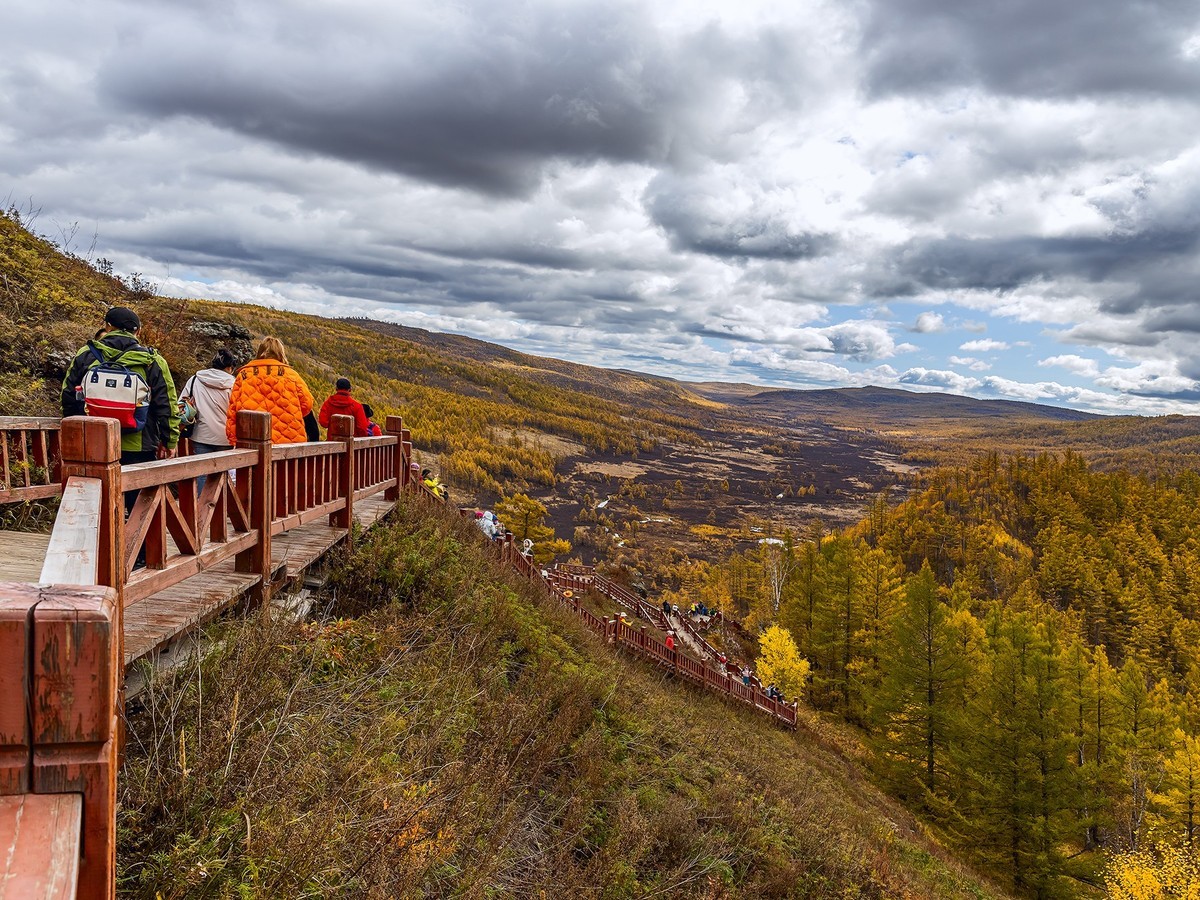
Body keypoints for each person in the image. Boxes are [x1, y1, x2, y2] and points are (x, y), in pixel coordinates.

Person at [61, 306, 180, 490]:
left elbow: (68, 394)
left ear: (108, 327)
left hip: (93, 441)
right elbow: (167, 404)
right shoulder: (152, 360)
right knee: (139, 505)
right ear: (138, 331)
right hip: (139, 443)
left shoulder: (86, 353)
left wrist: (73, 433)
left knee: (96, 499)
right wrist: (169, 440)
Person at [225, 337, 314, 446]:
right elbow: (307, 405)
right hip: (288, 443)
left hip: (252, 441)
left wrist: (234, 440)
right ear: (281, 353)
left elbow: (233, 410)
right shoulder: (292, 375)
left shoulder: (243, 375)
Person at [178, 349, 236, 491]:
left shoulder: (195, 380)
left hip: (200, 435)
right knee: (224, 475)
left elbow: (181, 406)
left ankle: (203, 511)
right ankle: (223, 509)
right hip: (226, 438)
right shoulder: (235, 384)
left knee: (202, 475)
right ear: (230, 367)